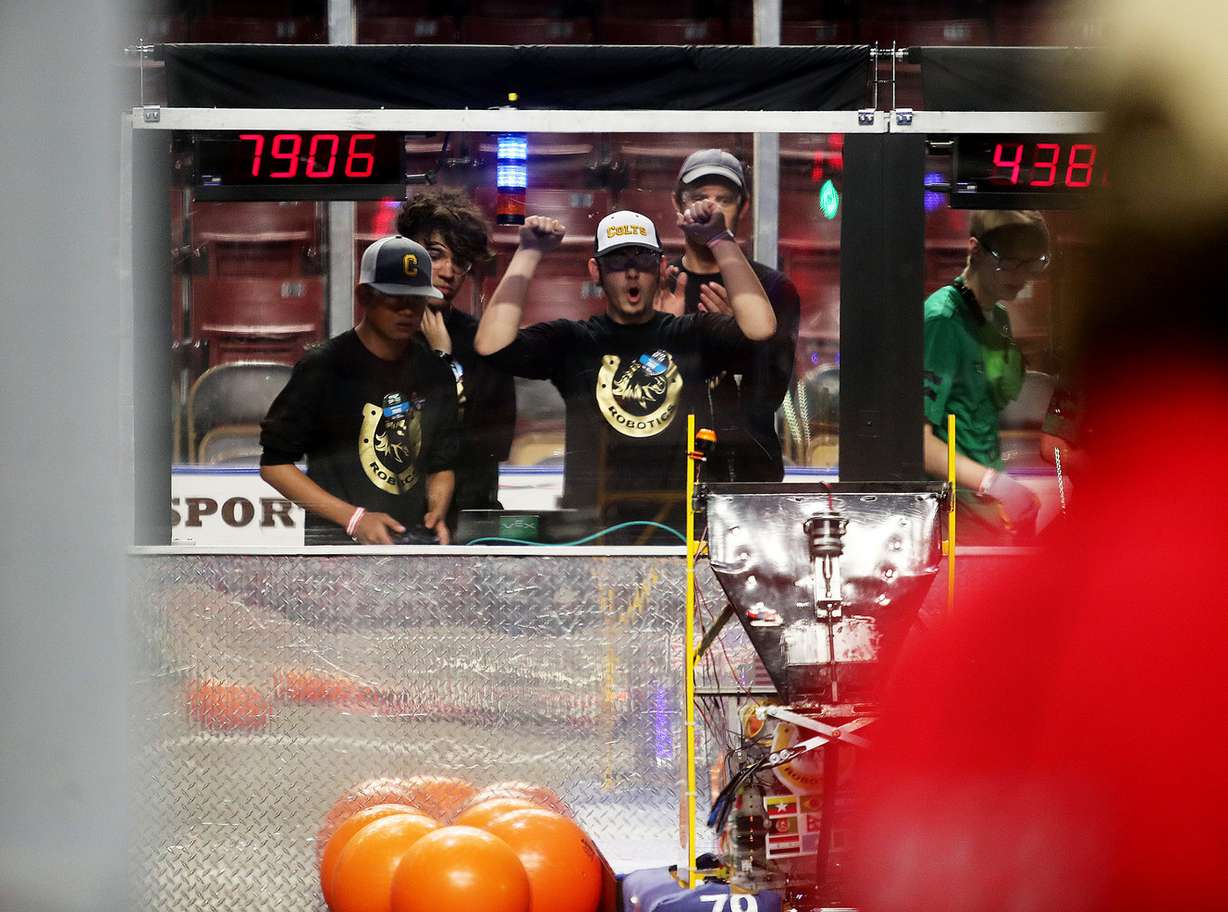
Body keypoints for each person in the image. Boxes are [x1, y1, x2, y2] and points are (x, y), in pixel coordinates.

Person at [473, 203, 776, 541]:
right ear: (596, 271)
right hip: (593, 536)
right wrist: (528, 252)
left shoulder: (689, 335)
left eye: (643, 261)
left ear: (661, 268)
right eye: (617, 262)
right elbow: (491, 345)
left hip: (678, 533)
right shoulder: (575, 342)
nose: (632, 273)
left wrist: (720, 239)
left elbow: (761, 328)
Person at [260, 235, 460, 545]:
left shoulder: (436, 373)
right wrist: (354, 519)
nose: (407, 310)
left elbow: (441, 465)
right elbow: (274, 465)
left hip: (411, 549)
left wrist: (436, 515)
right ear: (364, 296)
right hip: (336, 554)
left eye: (416, 299)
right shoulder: (323, 367)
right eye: (395, 297)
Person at [665, 149, 801, 482]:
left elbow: (770, 393)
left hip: (750, 473)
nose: (710, 208)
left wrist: (738, 337)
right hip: (668, 475)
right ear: (677, 203)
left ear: (744, 207)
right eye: (699, 198)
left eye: (723, 200)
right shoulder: (662, 283)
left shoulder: (773, 289)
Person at [922, 210, 1049, 542]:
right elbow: (919, 443)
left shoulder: (998, 318)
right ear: (975, 249)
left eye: (1031, 264)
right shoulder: (943, 321)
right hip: (954, 513)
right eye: (1008, 262)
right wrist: (994, 484)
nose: (1020, 275)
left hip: (989, 511)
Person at [395, 188, 516, 522]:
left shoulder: (485, 344)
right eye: (435, 255)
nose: (448, 272)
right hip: (393, 521)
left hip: (469, 519)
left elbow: (491, 447)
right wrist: (441, 360)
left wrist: (442, 362)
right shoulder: (379, 339)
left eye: (460, 261)